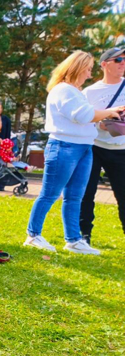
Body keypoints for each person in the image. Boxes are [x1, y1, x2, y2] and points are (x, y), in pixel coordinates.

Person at [24, 50, 125, 255]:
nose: (89, 75)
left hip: (83, 148)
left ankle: (73, 239)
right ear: (77, 68)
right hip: (64, 147)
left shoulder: (74, 91)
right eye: (87, 70)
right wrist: (112, 112)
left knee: (75, 197)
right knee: (49, 194)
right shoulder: (63, 91)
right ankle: (33, 235)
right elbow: (84, 115)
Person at [80, 47, 125, 245]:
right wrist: (100, 122)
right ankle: (83, 236)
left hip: (121, 149)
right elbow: (81, 119)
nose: (123, 63)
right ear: (104, 65)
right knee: (86, 193)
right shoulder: (89, 92)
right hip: (94, 147)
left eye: (124, 60)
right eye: (119, 60)